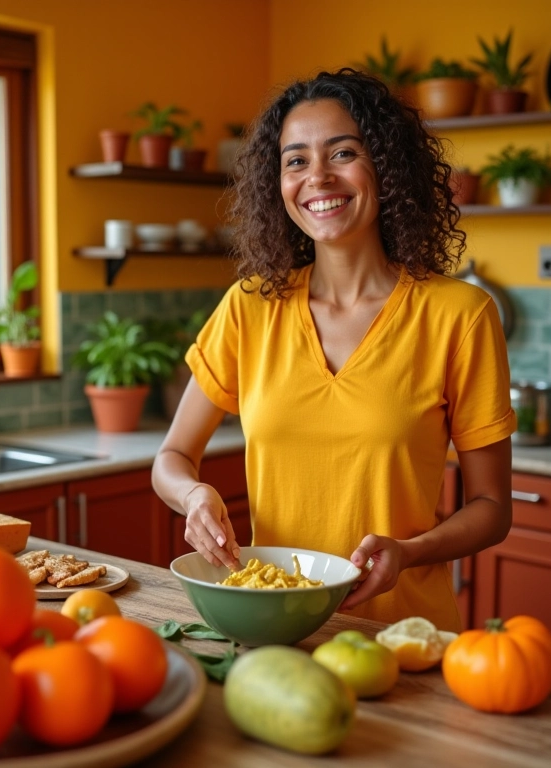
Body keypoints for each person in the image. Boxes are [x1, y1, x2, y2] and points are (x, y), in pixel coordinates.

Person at [151, 68, 516, 632]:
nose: (317, 177)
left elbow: (492, 508)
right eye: (295, 160)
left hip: (401, 636)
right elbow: (171, 458)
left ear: (386, 167)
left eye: (342, 153)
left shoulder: (460, 315)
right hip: (273, 627)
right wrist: (195, 496)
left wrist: (410, 551)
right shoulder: (250, 307)